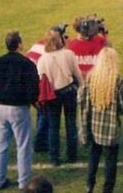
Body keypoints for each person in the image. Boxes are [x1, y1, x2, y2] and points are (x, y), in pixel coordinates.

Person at [0, 31, 39, 190]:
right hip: (20, 109)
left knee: (1, 144)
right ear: (19, 44)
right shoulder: (27, 64)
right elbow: (33, 89)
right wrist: (30, 101)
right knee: (23, 146)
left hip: (1, 108)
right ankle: (24, 182)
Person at [79, 47, 123, 193]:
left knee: (94, 156)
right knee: (110, 160)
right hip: (111, 128)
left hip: (94, 127)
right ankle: (108, 188)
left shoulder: (90, 78)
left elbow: (82, 99)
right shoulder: (117, 81)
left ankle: (89, 184)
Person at [36, 29, 82, 166]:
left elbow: (41, 78)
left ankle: (54, 157)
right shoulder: (69, 54)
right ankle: (72, 154)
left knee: (53, 126)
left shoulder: (43, 59)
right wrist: (80, 87)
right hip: (68, 91)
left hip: (52, 95)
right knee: (70, 123)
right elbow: (77, 74)